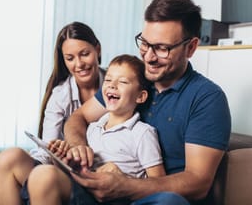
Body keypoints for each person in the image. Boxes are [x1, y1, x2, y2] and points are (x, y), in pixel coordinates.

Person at [62, 0, 231, 205]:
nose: (148, 57)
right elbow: (78, 117)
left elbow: (198, 183)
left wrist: (126, 186)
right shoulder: (131, 79)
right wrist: (79, 147)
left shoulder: (206, 98)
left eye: (162, 48)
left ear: (191, 47)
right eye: (145, 43)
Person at [0, 21, 105, 205]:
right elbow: (45, 154)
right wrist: (58, 153)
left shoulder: (116, 85)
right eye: (70, 58)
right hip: (61, 173)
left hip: (89, 179)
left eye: (85, 54)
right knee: (9, 160)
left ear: (97, 49)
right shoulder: (60, 96)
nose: (79, 64)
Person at [27, 54, 166, 205]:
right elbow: (79, 171)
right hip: (85, 193)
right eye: (108, 80)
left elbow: (158, 183)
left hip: (116, 199)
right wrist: (63, 158)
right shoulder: (92, 128)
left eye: (123, 82)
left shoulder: (142, 133)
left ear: (140, 96)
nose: (112, 85)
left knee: (43, 176)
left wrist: (125, 180)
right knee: (38, 172)